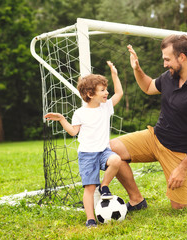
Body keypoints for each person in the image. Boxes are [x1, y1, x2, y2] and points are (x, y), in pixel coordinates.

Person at [110, 34, 187, 210]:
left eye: (167, 59)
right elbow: (148, 86)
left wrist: (183, 168)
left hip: (178, 152)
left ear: (181, 56)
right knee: (111, 150)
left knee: (181, 206)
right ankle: (137, 200)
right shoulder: (169, 76)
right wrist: (137, 69)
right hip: (154, 138)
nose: (165, 64)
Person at [44, 61, 123, 228]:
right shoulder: (80, 113)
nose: (106, 93)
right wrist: (62, 119)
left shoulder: (105, 107)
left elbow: (119, 93)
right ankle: (90, 219)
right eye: (102, 90)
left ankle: (105, 186)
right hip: (87, 155)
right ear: (90, 93)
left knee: (116, 160)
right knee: (89, 188)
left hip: (103, 151)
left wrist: (114, 74)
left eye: (106, 89)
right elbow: (73, 132)